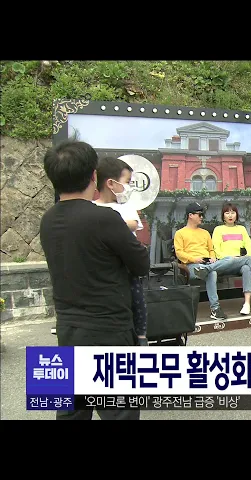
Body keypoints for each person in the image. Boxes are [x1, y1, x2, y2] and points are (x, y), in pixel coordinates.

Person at [40, 139, 150, 420]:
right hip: (109, 330)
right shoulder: (105, 218)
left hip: (67, 329)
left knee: (70, 411)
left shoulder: (48, 220)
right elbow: (141, 263)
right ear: (93, 175)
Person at [94, 156, 148, 346]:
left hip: (127, 263)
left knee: (137, 298)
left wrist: (108, 226)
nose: (129, 187)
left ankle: (141, 336)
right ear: (110, 183)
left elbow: (133, 224)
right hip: (104, 267)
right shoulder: (93, 207)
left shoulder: (126, 207)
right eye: (127, 181)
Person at [173, 202, 227, 321]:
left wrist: (212, 257)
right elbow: (179, 253)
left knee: (215, 269)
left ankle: (215, 309)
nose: (202, 217)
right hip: (191, 267)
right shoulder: (180, 233)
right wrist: (194, 259)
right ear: (190, 215)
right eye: (199, 214)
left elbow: (211, 250)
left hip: (207, 264)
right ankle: (215, 308)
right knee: (212, 272)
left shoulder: (205, 233)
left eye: (202, 215)